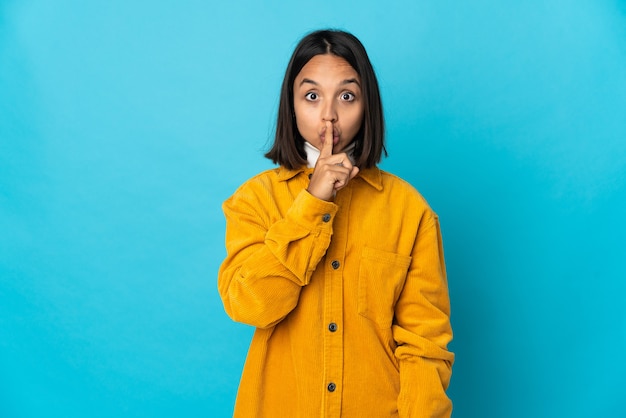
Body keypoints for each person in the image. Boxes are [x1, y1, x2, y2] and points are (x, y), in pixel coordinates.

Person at [217, 29, 454, 418]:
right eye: (312, 96)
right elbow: (250, 305)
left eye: (346, 96)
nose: (329, 114)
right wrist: (313, 202)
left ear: (367, 106)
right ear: (291, 106)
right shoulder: (254, 200)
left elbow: (424, 343)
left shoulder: (409, 210)